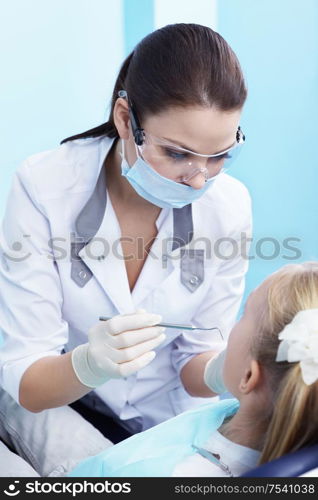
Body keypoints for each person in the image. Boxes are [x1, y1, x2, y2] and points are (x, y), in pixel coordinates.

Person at [0, 23, 251, 476]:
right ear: (124, 119)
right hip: (63, 403)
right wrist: (89, 364)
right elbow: (29, 381)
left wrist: (222, 370)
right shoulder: (44, 185)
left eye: (218, 156)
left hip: (166, 423)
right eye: (177, 154)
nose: (199, 179)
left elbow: (197, 358)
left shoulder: (229, 205)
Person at [69, 262, 318, 477]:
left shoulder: (165, 473)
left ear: (250, 376)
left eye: (244, 314)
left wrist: (86, 364)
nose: (233, 325)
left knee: (30, 414)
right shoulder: (255, 418)